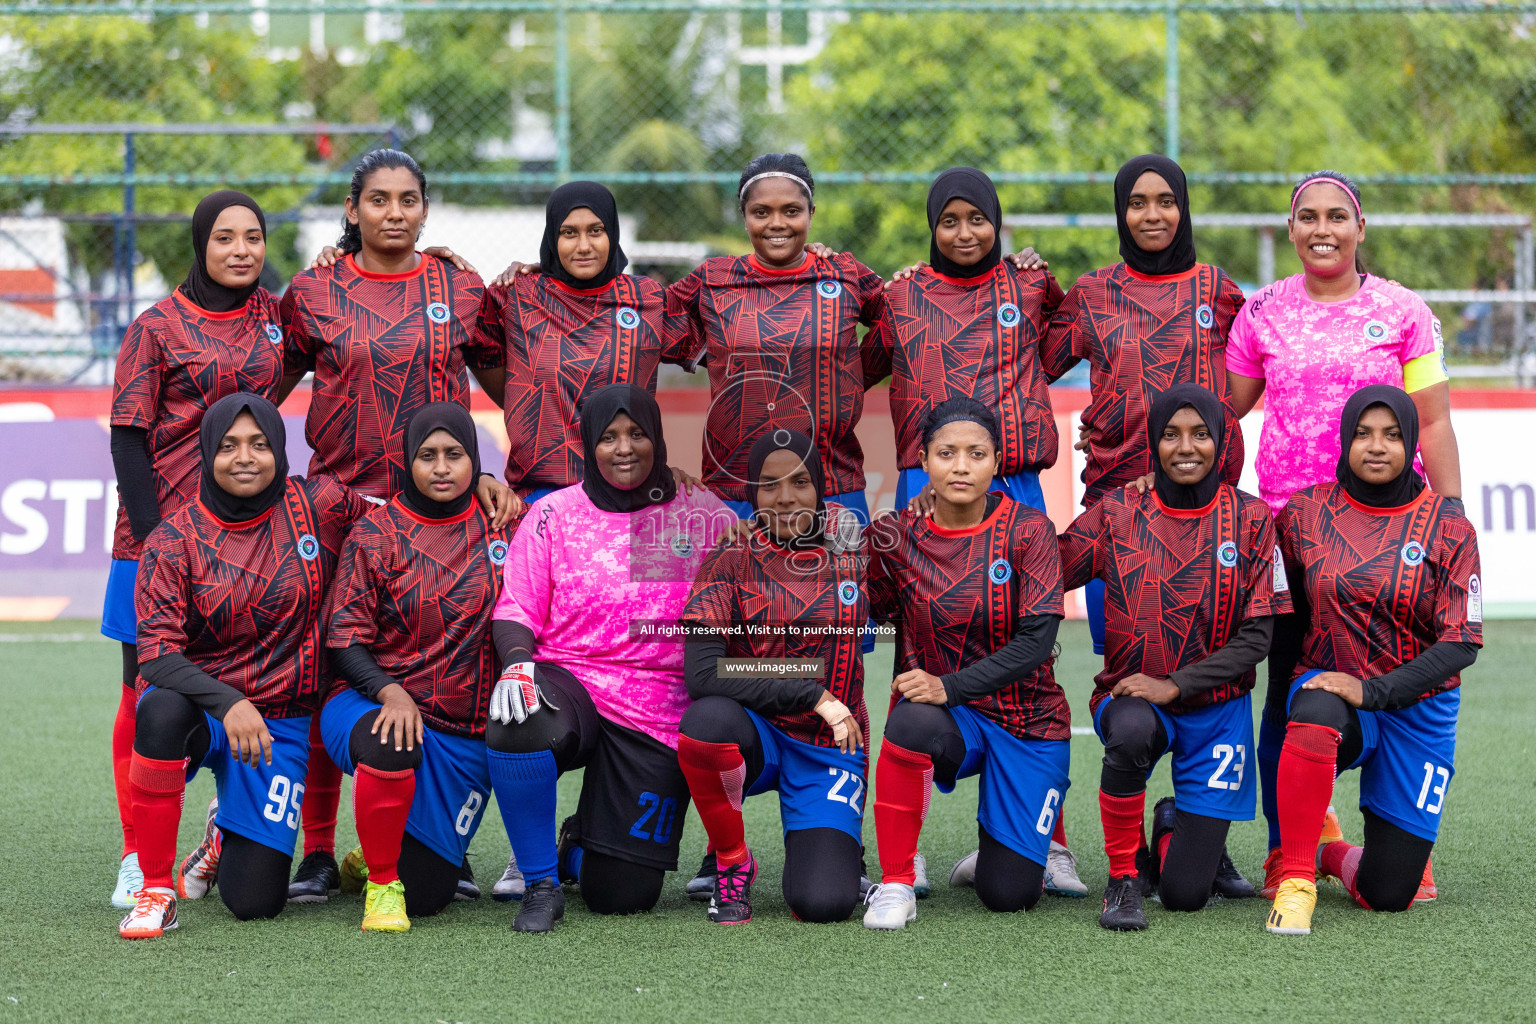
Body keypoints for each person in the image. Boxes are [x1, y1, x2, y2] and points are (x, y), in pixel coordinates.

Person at [279, 148, 518, 902]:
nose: (393, 212)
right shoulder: (315, 289)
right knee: (325, 671)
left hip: (445, 511)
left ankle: (440, 839)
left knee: (459, 663)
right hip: (340, 508)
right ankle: (318, 850)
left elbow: (515, 383)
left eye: (408, 199)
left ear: (425, 208)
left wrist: (496, 473)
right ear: (352, 210)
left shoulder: (459, 285)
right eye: (377, 199)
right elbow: (260, 390)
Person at [1223, 171, 1465, 899]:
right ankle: (1284, 846)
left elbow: (1439, 418)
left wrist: (1449, 513)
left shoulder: (1402, 310)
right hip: (1293, 538)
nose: (1321, 228)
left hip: (1396, 539)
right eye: (1307, 217)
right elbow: (1222, 413)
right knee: (1288, 685)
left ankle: (1385, 833)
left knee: (1407, 678)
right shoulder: (1261, 312)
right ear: (1291, 229)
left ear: (1361, 228)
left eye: (1337, 216)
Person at [117, 395, 373, 939]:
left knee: (255, 902)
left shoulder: (320, 504)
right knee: (157, 708)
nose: (245, 457)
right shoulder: (173, 539)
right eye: (229, 445)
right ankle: (156, 889)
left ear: (280, 450)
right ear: (208, 452)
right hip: (207, 710)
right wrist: (228, 703)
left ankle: (221, 835)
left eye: (259, 444)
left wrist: (486, 485)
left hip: (279, 723)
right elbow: (157, 651)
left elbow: (399, 519)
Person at [485, 383, 734, 932]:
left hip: (657, 706)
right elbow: (517, 608)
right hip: (570, 679)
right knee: (517, 716)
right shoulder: (552, 515)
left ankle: (578, 843)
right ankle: (540, 881)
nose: (624, 448)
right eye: (609, 437)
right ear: (588, 445)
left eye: (637, 434)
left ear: (659, 438)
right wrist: (518, 664)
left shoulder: (703, 516)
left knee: (621, 895)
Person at [105, 190, 283, 909]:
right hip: (155, 540)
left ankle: (225, 826)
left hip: (250, 541)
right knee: (144, 691)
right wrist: (154, 545)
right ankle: (134, 853)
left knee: (258, 680)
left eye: (252, 238)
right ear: (200, 244)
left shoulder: (277, 317)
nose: (240, 251)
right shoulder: (157, 327)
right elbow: (127, 436)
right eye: (224, 239)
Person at [1057, 385, 1287, 930]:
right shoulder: (1119, 512)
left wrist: (1175, 684)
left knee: (1187, 894)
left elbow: (1258, 638)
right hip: (1137, 698)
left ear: (1222, 441)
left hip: (1217, 709)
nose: (1186, 447)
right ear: (1154, 445)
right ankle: (1122, 879)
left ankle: (1168, 825)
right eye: (1170, 435)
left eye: (1201, 434)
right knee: (1132, 730)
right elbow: (1045, 566)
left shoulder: (1253, 520)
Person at [1264, 386, 1480, 936]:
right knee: (1314, 709)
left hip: (1418, 709)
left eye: (1392, 435)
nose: (1376, 446)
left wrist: (1377, 692)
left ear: (1411, 443)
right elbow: (1287, 621)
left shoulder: (1449, 526)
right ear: (1344, 440)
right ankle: (1295, 881)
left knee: (1390, 894)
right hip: (1332, 686)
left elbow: (1462, 642)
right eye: (1363, 433)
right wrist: (1280, 715)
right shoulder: (1305, 513)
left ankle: (1332, 850)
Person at [861, 399, 1067, 930]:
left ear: (997, 462)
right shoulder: (895, 535)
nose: (960, 466)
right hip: (953, 719)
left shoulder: (1030, 530)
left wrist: (948, 685)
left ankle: (999, 850)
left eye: (976, 454)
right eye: (946, 453)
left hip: (1029, 721)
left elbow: (1037, 643)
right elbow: (844, 586)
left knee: (1010, 895)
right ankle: (897, 882)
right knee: (909, 717)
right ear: (923, 462)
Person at [317, 403, 521, 931]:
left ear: (474, 461)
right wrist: (389, 692)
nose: (441, 468)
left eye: (454, 455)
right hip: (372, 702)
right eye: (427, 456)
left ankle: (373, 847)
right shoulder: (375, 533)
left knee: (429, 894)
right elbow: (342, 639)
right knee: (392, 740)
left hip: (464, 731)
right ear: (407, 461)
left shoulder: (504, 523)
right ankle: (381, 885)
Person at [1039, 154, 1247, 659]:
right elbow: (1025, 367)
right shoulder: (1092, 292)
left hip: (1204, 511)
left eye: (1166, 202)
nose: (1152, 215)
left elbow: (1253, 378)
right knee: (1124, 670)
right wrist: (1035, 285)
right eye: (1137, 203)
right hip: (1116, 505)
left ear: (1184, 209)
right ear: (1120, 212)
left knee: (1204, 668)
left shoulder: (1217, 291)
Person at [676, 429, 870, 925]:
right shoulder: (730, 556)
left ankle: (845, 854)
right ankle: (731, 861)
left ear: (821, 488)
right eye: (769, 485)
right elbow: (702, 674)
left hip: (830, 744)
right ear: (751, 494)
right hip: (757, 733)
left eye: (800, 482)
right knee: (706, 721)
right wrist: (808, 688)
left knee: (823, 903)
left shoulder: (855, 547)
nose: (785, 497)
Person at [666, 153, 886, 524]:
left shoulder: (844, 273)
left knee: (842, 582)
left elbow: (904, 317)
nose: (777, 223)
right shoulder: (713, 278)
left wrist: (850, 377)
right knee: (734, 581)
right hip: (735, 484)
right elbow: (643, 314)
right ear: (745, 215)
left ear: (811, 213)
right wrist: (561, 276)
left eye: (791, 211)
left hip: (832, 481)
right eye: (761, 212)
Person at [475, 181, 697, 501]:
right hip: (542, 495)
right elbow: (473, 345)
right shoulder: (516, 296)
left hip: (629, 495)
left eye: (596, 231)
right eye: (568, 233)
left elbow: (727, 342)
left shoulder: (648, 299)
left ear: (613, 234)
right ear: (553, 237)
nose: (583, 246)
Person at [863, 167, 1065, 512]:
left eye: (977, 219)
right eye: (949, 222)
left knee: (1025, 565)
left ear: (995, 222)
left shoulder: (1030, 285)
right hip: (923, 484)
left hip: (1013, 478)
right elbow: (855, 374)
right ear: (933, 227)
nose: (965, 233)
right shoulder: (904, 295)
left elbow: (1069, 341)